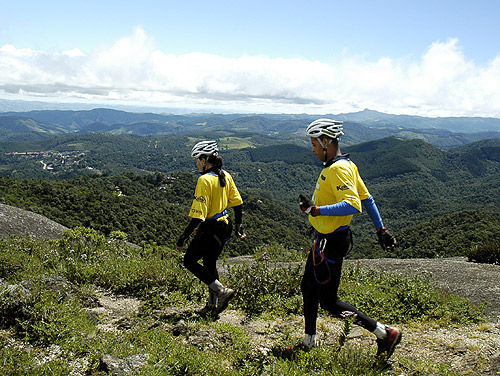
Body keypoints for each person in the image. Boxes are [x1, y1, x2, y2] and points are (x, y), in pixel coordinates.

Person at [298, 119, 401, 359]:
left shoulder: (338, 169)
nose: (312, 148)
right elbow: (368, 199)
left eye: (314, 143)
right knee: (309, 289)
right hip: (326, 239)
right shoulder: (346, 165)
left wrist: (316, 211)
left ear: (325, 141)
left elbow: (352, 205)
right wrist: (380, 228)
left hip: (330, 242)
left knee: (330, 302)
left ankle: (385, 333)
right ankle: (308, 343)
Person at [176, 140, 246, 316]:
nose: (197, 164)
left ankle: (221, 290)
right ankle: (212, 306)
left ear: (205, 160)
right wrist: (239, 227)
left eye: (198, 160)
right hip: (225, 226)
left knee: (189, 261)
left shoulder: (204, 180)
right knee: (209, 263)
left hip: (211, 227)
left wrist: (183, 237)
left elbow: (198, 215)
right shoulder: (226, 175)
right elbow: (237, 204)